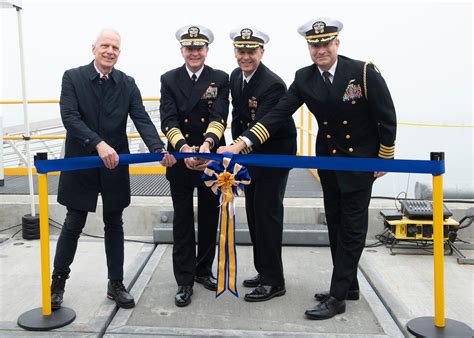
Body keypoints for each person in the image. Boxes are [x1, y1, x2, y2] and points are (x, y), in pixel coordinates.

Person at [218, 17, 397, 319]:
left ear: (337, 43)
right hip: (326, 161)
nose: (320, 50)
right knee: (336, 224)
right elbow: (277, 114)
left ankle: (338, 297)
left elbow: (386, 114)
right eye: (314, 45)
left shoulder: (362, 73)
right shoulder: (305, 78)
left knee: (352, 229)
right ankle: (349, 285)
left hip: (359, 161)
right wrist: (240, 144)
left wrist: (384, 157)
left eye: (325, 43)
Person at [51, 28, 176, 310]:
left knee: (114, 223)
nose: (110, 51)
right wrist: (97, 143)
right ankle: (57, 284)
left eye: (115, 48)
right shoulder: (73, 77)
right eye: (105, 46)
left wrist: (158, 149)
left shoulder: (127, 83)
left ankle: (116, 284)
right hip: (81, 161)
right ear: (93, 48)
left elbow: (141, 118)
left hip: (114, 163)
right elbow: (69, 116)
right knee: (73, 223)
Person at [160, 24, 229, 307]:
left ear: (206, 50)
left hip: (209, 158)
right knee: (183, 221)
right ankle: (184, 280)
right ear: (182, 51)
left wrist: (207, 146)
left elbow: (220, 114)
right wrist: (184, 148)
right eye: (189, 48)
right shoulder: (169, 79)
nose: (194, 53)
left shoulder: (220, 78)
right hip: (180, 158)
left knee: (211, 217)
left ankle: (203, 270)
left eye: (199, 48)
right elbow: (168, 119)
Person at [227, 27, 296, 302]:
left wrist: (237, 146)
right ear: (235, 52)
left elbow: (264, 124)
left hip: (274, 156)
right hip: (251, 155)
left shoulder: (273, 84)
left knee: (267, 216)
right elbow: (239, 115)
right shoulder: (235, 77)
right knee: (255, 216)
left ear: (261, 52)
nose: (246, 57)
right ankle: (263, 270)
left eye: (251, 52)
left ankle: (274, 281)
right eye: (241, 51)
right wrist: (236, 146)